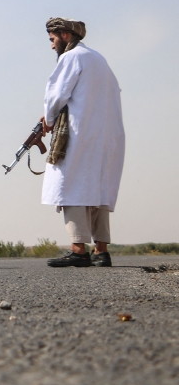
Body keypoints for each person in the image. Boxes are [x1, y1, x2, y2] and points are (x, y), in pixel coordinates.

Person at [41, 17, 125, 268]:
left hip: (80, 133)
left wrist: (49, 117)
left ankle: (78, 250)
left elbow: (56, 95)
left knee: (72, 185)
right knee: (97, 188)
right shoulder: (98, 59)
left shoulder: (72, 57)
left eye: (52, 39)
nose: (52, 46)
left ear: (65, 35)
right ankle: (101, 251)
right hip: (107, 135)